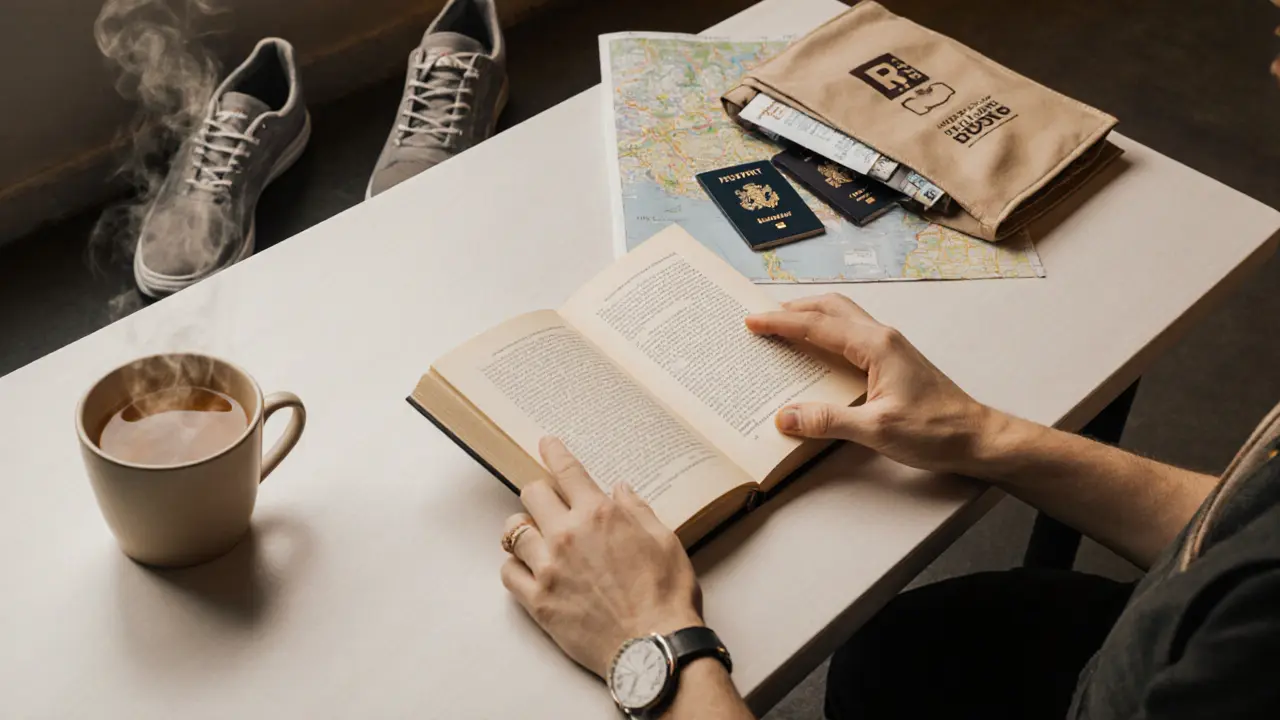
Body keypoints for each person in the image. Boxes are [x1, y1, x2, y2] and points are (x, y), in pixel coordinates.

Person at [497, 294, 1280, 719]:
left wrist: (652, 646)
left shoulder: (1251, 655)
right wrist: (981, 434)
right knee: (907, 652)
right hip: (1155, 647)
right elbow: (1255, 512)